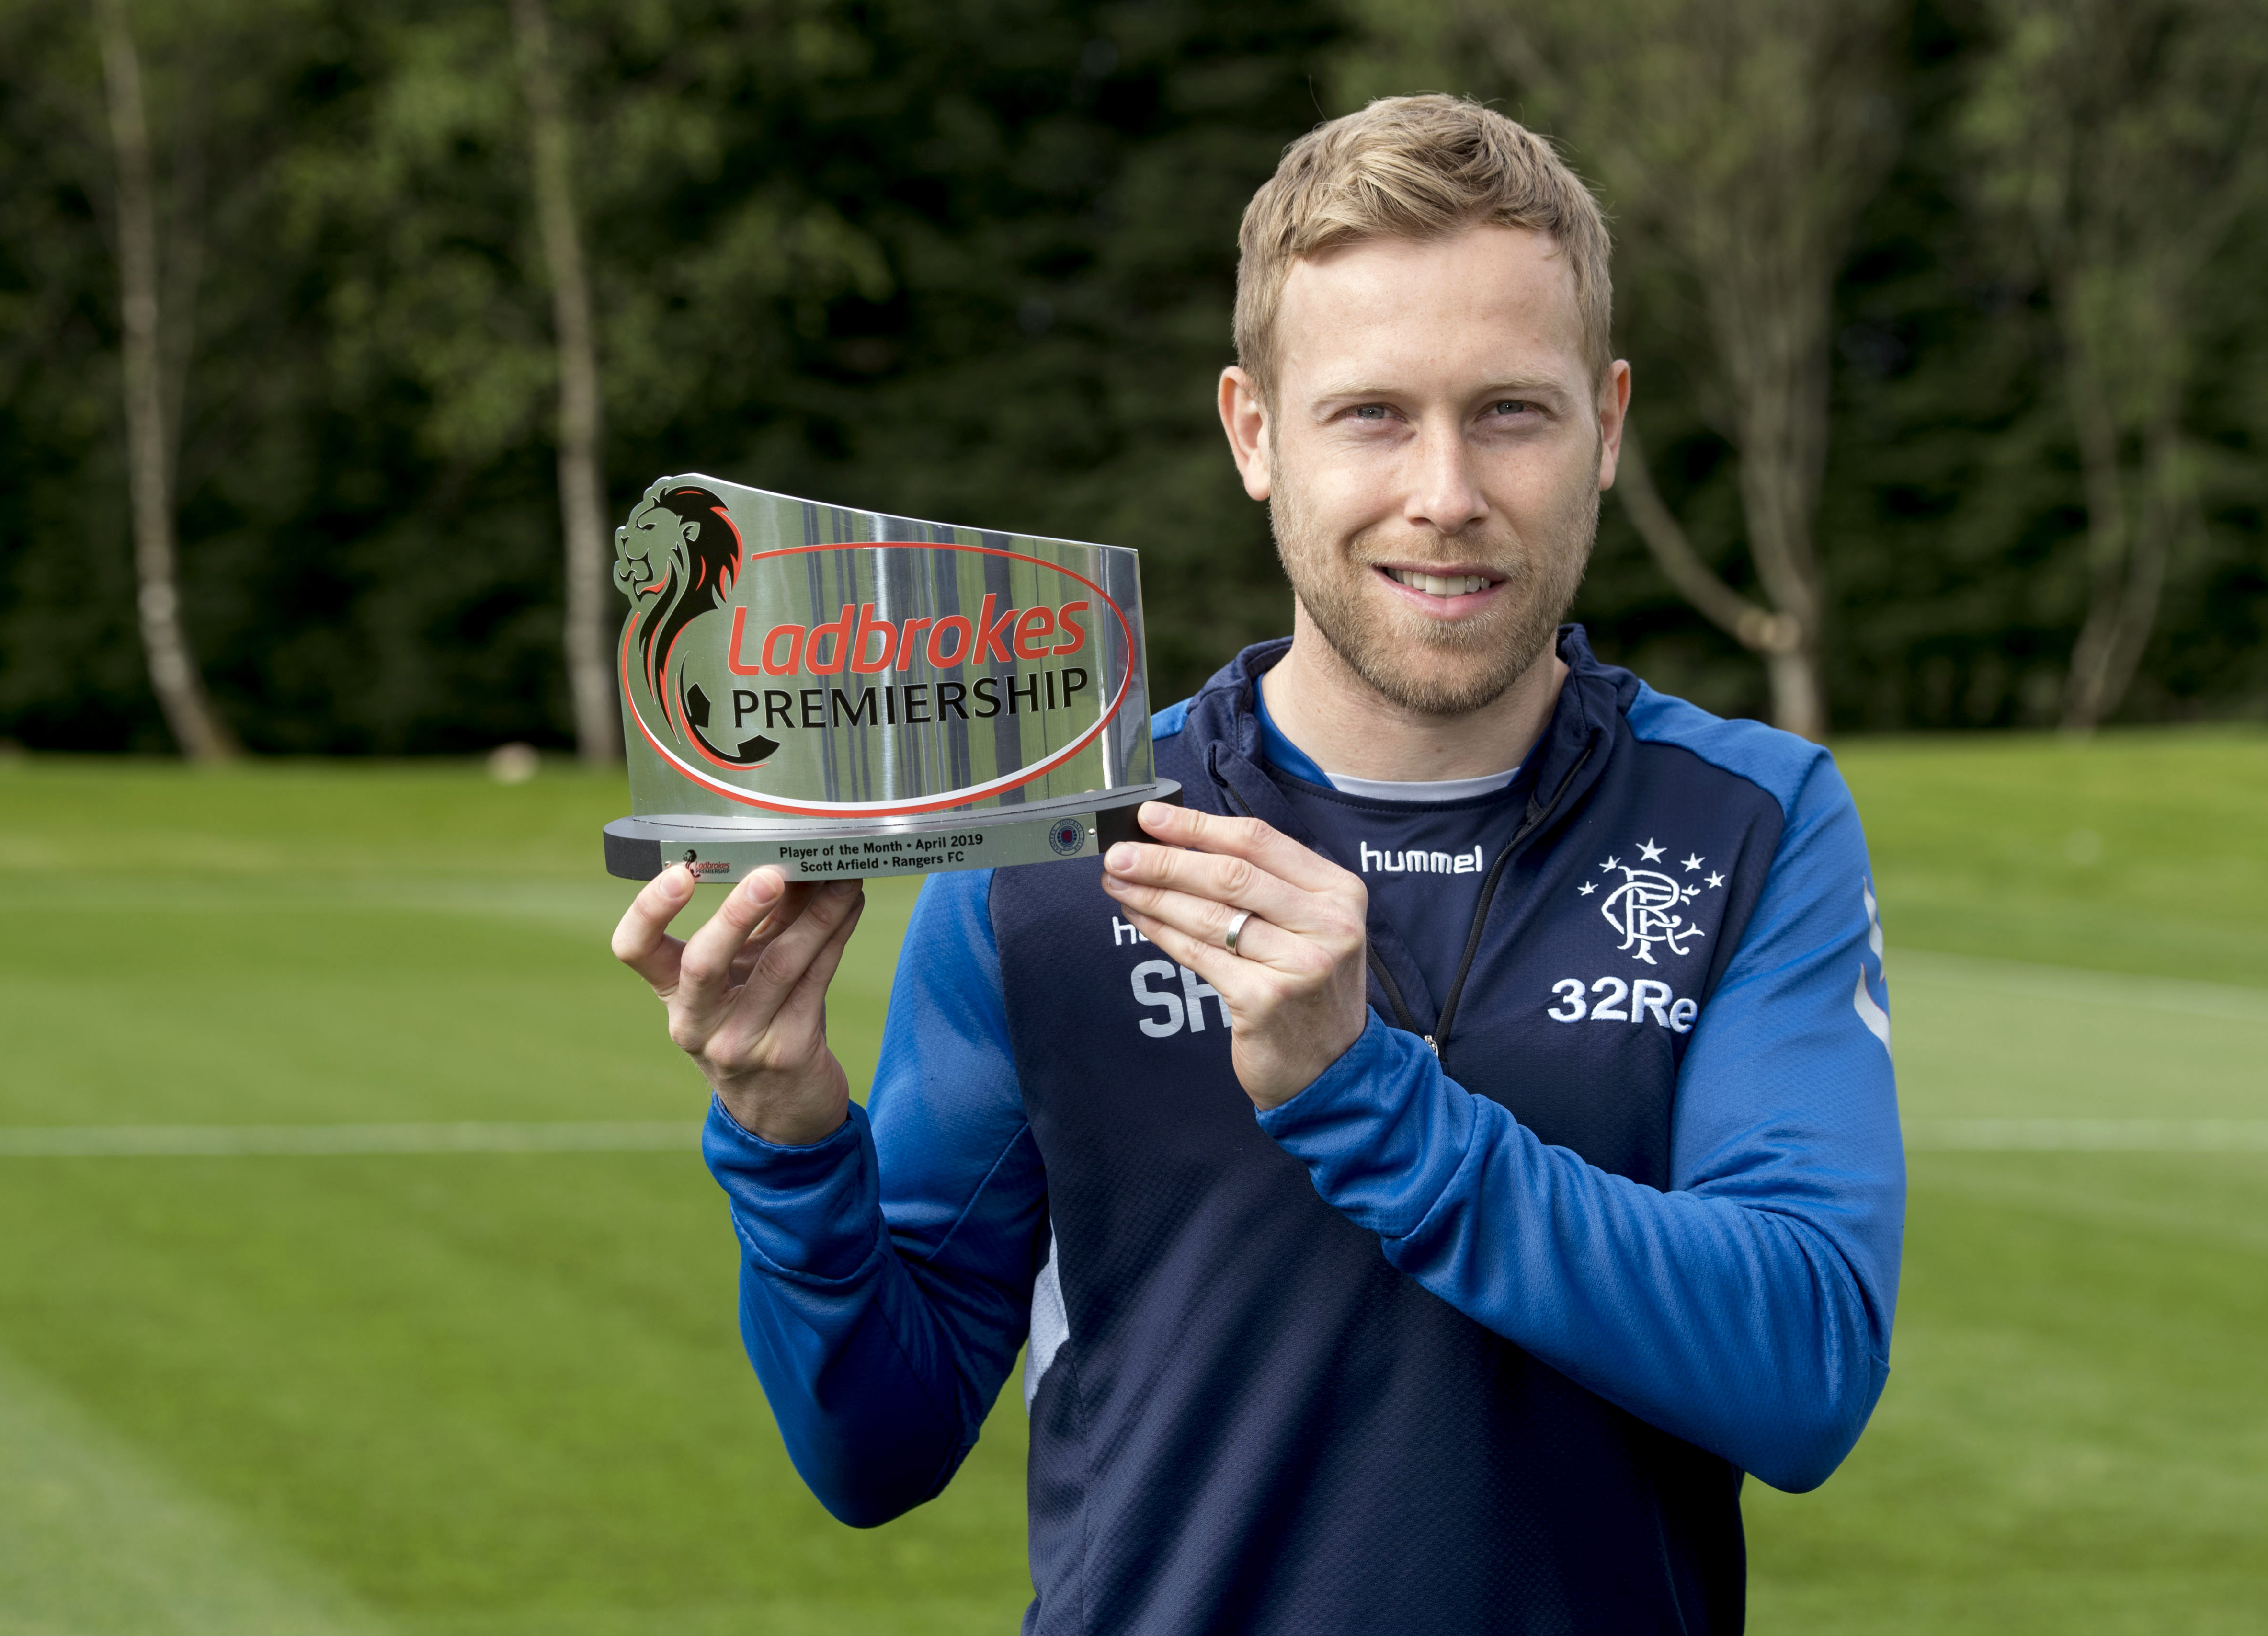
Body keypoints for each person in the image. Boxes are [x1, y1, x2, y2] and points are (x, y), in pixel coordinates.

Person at [612, 94, 1903, 1635]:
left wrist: (1362, 1096)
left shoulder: (1748, 818)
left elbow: (1806, 1368)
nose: (1444, 493)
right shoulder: (1050, 846)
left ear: (1605, 426)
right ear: (1252, 433)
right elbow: (873, 1448)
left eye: (1511, 411)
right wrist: (787, 1138)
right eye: (1371, 414)